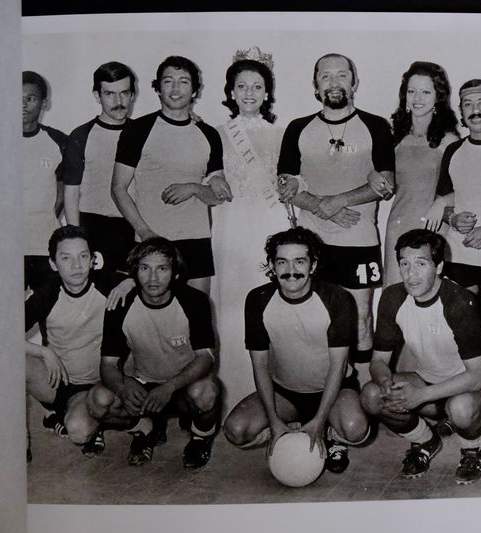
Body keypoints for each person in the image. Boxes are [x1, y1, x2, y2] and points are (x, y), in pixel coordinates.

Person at [277, 53, 395, 362]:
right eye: (326, 76)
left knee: (361, 320)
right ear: (315, 84)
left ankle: (361, 394)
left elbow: (386, 184)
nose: (334, 82)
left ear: (355, 83)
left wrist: (338, 201)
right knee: (317, 321)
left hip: (359, 241)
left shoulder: (376, 126)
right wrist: (319, 206)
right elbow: (284, 187)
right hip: (312, 244)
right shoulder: (297, 128)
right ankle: (327, 392)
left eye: (342, 75)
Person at [223, 227, 369, 474]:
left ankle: (330, 435)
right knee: (236, 430)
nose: (291, 271)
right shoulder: (258, 299)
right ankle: (289, 430)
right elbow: (259, 365)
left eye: (300, 261)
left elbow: (339, 366)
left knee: (355, 428)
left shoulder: (337, 298)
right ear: (272, 265)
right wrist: (274, 422)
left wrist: (320, 422)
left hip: (333, 390)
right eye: (282, 262)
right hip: (286, 393)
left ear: (312, 266)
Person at [361, 229, 481, 485]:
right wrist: (385, 382)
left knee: (460, 408)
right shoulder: (392, 297)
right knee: (372, 395)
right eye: (404, 264)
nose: (411, 274)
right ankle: (425, 441)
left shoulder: (459, 301)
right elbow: (378, 360)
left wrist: (420, 396)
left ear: (438, 267)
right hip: (429, 379)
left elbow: (477, 376)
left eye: (421, 264)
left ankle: (472, 449)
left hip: (471, 384)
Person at [86, 238, 222, 469]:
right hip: (143, 384)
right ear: (135, 272)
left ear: (175, 273)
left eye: (162, 269)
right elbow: (108, 364)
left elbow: (206, 357)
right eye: (145, 268)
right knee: (98, 401)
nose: (153, 278)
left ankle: (200, 438)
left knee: (207, 392)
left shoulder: (194, 301)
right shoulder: (120, 304)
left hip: (181, 387)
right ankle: (145, 430)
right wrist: (122, 387)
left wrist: (169, 387)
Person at [210, 47, 291, 412]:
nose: (248, 93)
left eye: (256, 86)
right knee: (231, 301)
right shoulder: (218, 133)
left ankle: (277, 396)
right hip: (232, 223)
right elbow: (211, 175)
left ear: (267, 92)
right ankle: (231, 393)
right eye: (241, 86)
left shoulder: (282, 132)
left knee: (272, 301)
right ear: (230, 91)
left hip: (270, 222)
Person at [111, 55, 231, 293]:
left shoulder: (208, 134)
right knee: (152, 320)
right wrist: (144, 232)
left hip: (196, 241)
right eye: (168, 81)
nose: (176, 89)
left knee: (197, 320)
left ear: (195, 90)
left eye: (184, 82)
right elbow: (117, 188)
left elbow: (218, 195)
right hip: (150, 241)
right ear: (158, 87)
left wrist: (194, 188)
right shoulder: (138, 129)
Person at [25, 225, 127, 458]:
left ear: (92, 260)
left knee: (79, 433)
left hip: (97, 384)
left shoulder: (107, 284)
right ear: (53, 264)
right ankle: (18, 440)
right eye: (66, 258)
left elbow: (149, 280)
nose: (76, 265)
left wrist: (129, 282)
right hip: (57, 382)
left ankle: (85, 417)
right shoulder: (47, 293)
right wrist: (43, 353)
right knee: (12, 362)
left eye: (83, 256)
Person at [435, 79, 481, 346]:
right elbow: (441, 203)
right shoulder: (454, 150)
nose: (475, 110)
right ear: (461, 111)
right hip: (459, 255)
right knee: (464, 335)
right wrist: (452, 218)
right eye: (468, 104)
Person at [382, 61, 460, 287]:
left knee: (429, 299)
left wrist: (442, 202)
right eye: (412, 91)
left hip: (432, 230)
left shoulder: (449, 141)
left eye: (426, 92)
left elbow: (466, 188)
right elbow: (386, 183)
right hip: (398, 227)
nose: (418, 98)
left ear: (438, 97)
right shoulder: (395, 137)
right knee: (395, 297)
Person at [63, 61, 138, 273]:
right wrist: (77, 238)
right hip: (93, 228)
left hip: (133, 226)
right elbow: (71, 192)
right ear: (97, 95)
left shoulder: (142, 132)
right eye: (110, 94)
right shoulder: (81, 135)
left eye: (124, 93)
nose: (118, 101)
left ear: (132, 94)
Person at [23, 70, 68, 291]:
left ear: (44, 103)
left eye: (30, 99)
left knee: (48, 314)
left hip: (44, 244)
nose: (22, 106)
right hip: (5, 247)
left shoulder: (57, 141)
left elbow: (63, 192)